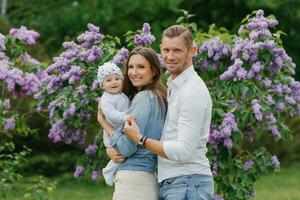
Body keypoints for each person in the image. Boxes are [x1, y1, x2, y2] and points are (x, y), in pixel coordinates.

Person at [123, 25, 214, 200]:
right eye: (166, 50)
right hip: (176, 182)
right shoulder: (174, 86)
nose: (170, 57)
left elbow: (184, 151)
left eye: (177, 50)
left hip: (188, 183)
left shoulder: (191, 91)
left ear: (192, 51)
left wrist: (140, 139)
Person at [97, 46, 167, 200]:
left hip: (133, 181)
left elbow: (127, 148)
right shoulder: (159, 97)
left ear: (154, 70)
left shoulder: (143, 98)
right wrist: (110, 151)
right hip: (146, 177)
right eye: (130, 67)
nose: (133, 73)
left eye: (141, 67)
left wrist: (103, 122)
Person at [97, 61, 134, 186]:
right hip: (113, 133)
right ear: (102, 85)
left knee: (123, 154)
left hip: (121, 130)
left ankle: (114, 171)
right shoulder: (106, 99)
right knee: (119, 154)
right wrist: (125, 117)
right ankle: (108, 171)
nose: (114, 82)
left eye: (117, 78)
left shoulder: (121, 94)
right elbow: (111, 114)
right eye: (108, 80)